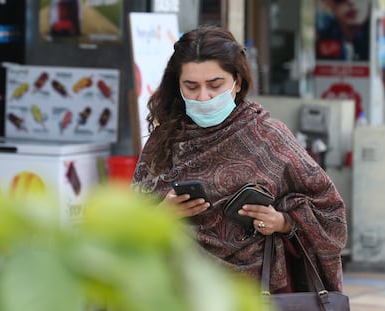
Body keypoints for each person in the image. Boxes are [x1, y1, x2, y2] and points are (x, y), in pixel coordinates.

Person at [131, 25, 347, 294]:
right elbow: (129, 221)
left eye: (215, 84)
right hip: (176, 291)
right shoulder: (164, 141)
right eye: (191, 86)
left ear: (238, 82)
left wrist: (283, 222)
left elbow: (330, 214)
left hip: (255, 293)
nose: (204, 97)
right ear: (178, 86)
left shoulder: (269, 137)